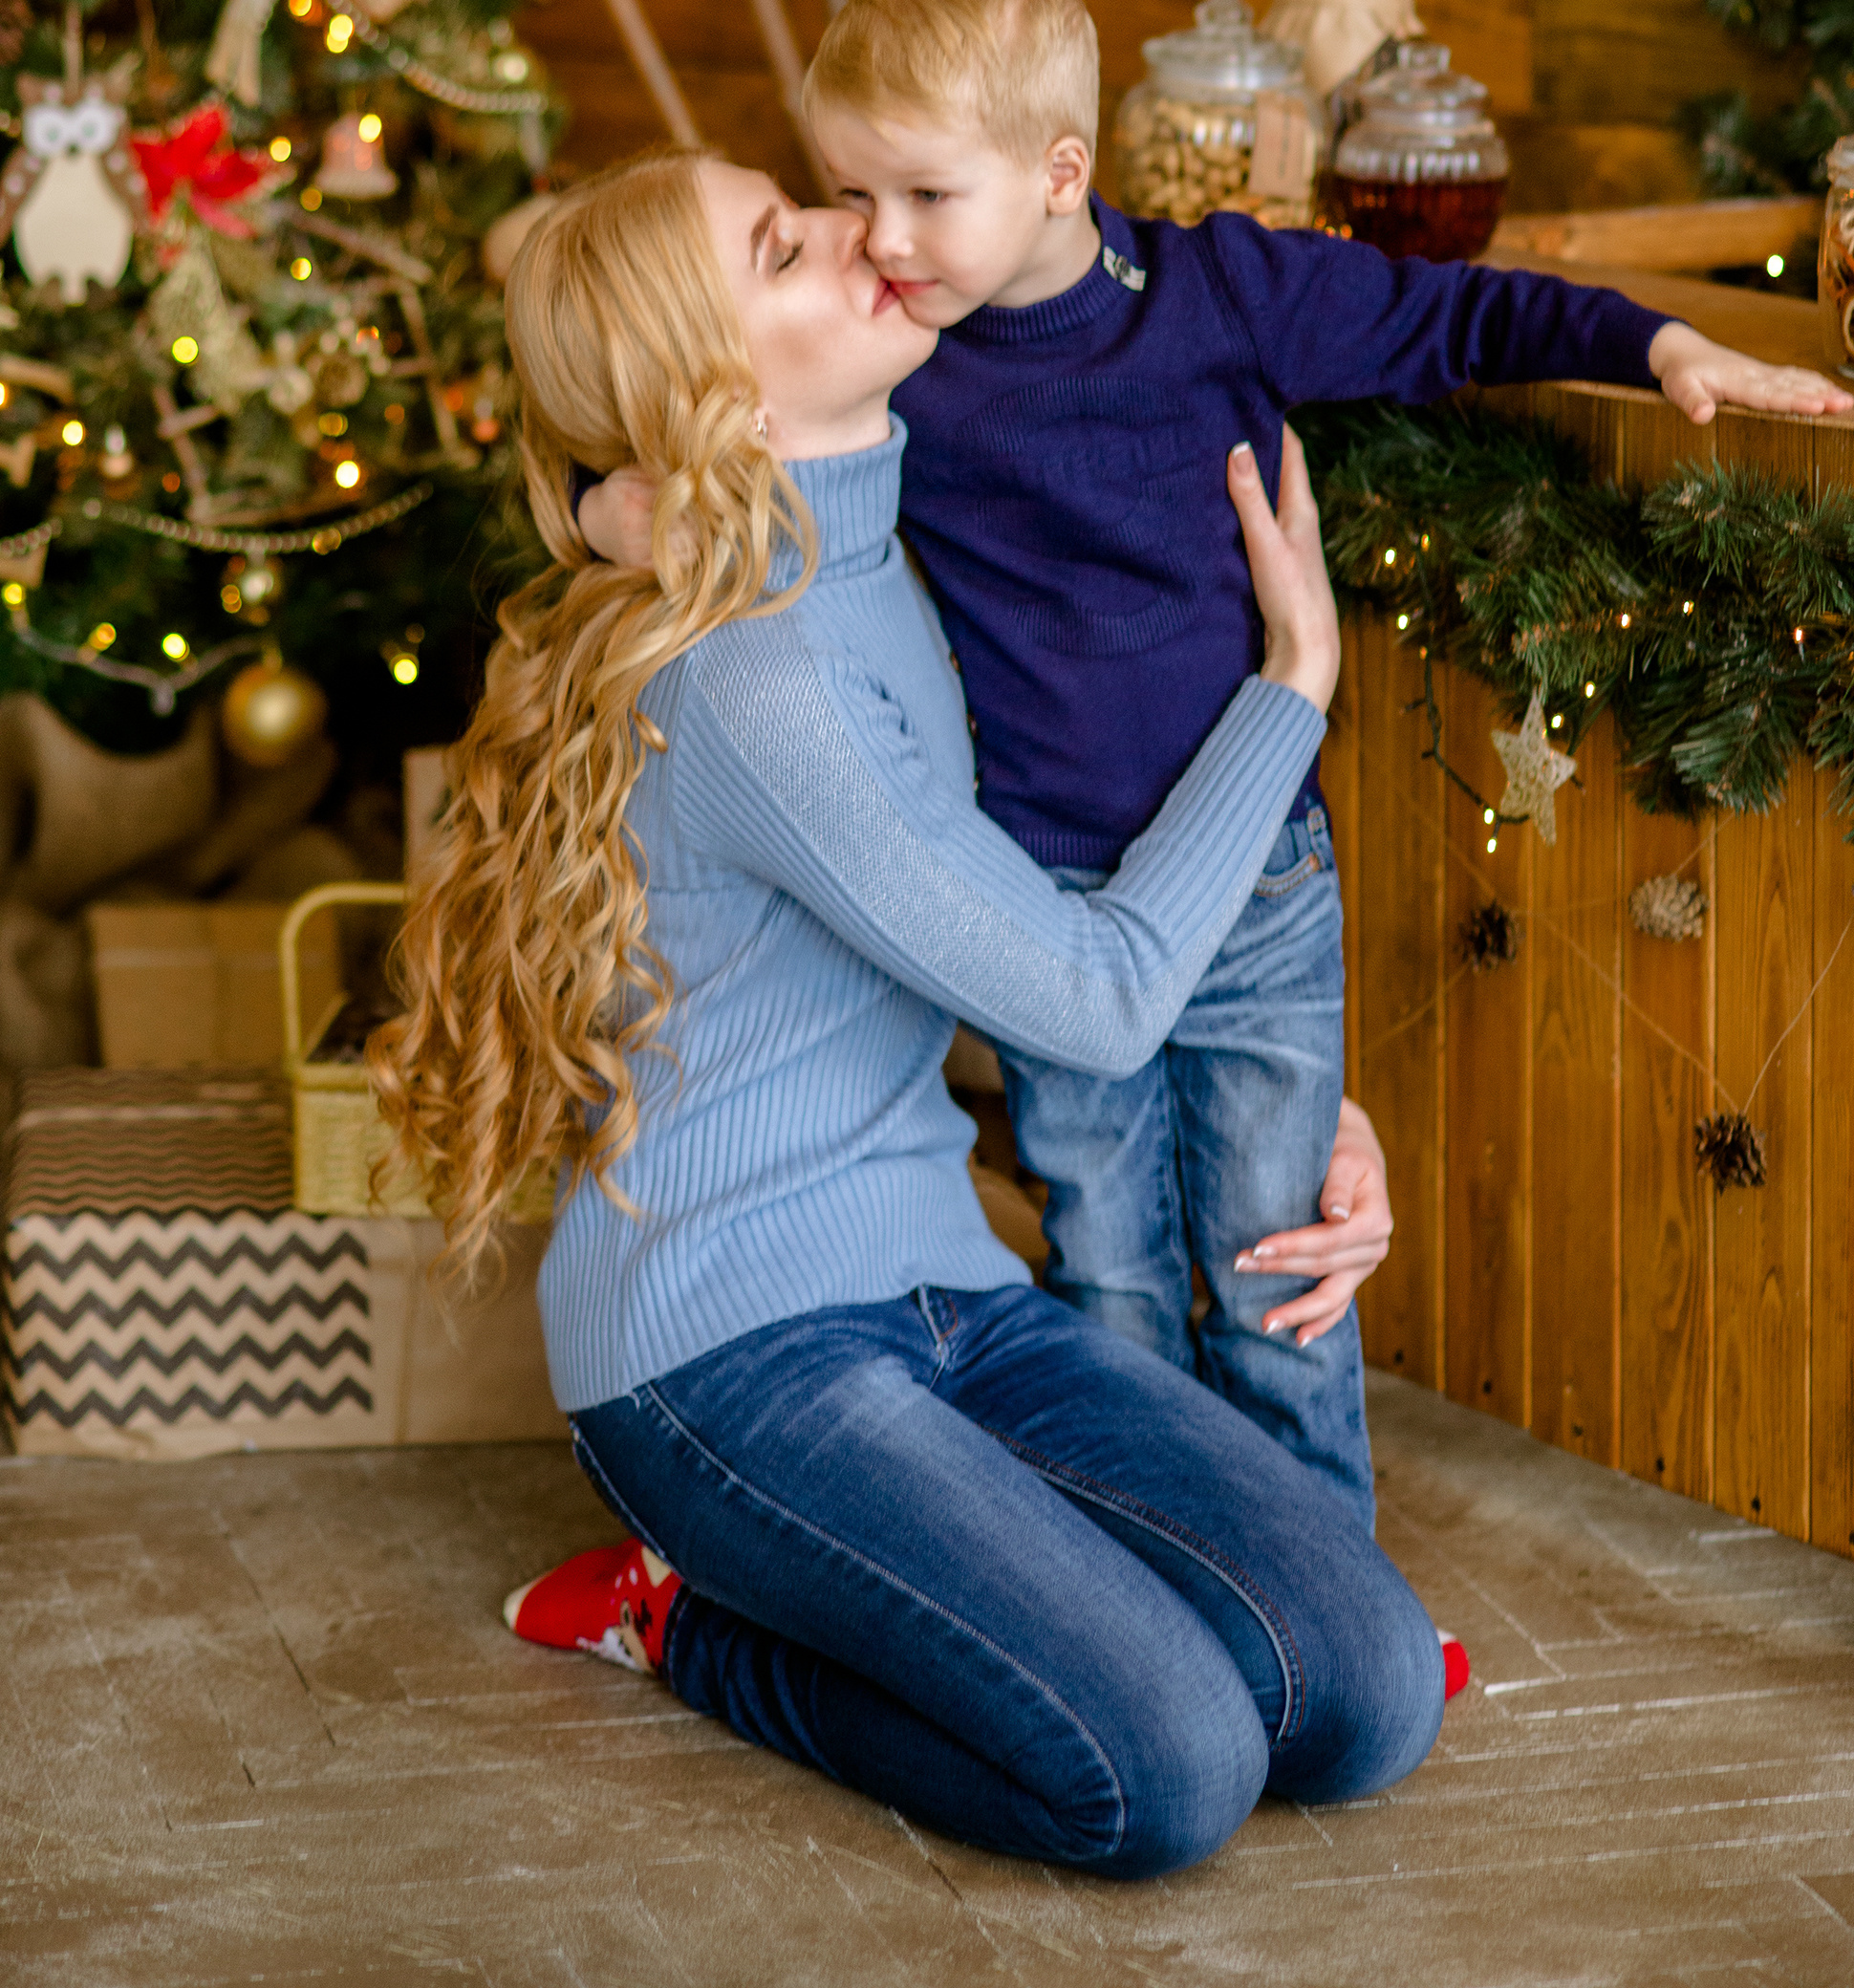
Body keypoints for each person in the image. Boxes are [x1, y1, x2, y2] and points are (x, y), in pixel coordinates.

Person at [578, 0, 1850, 1531]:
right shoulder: (907, 365)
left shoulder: (1220, 296)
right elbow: (699, 412)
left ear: (1057, 169)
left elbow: (1455, 315)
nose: (880, 242)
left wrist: (1655, 339)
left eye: (920, 197)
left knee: (1279, 1262)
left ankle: (1322, 1573)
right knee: (1106, 1275)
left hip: (1250, 894)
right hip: (1050, 904)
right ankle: (1149, 1561)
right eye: (849, 197)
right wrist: (591, 505)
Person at [371, 150, 1448, 1879]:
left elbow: (1059, 892)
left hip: (947, 1290)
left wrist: (1304, 1095)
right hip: (730, 1357)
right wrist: (1292, 687)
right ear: (704, 394)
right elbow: (1096, 997)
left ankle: (1010, 1610)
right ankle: (681, 1625)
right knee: (1159, 1776)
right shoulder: (757, 673)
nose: (868, 237)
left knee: (1371, 1695)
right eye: (790, 248)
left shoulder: (901, 518)